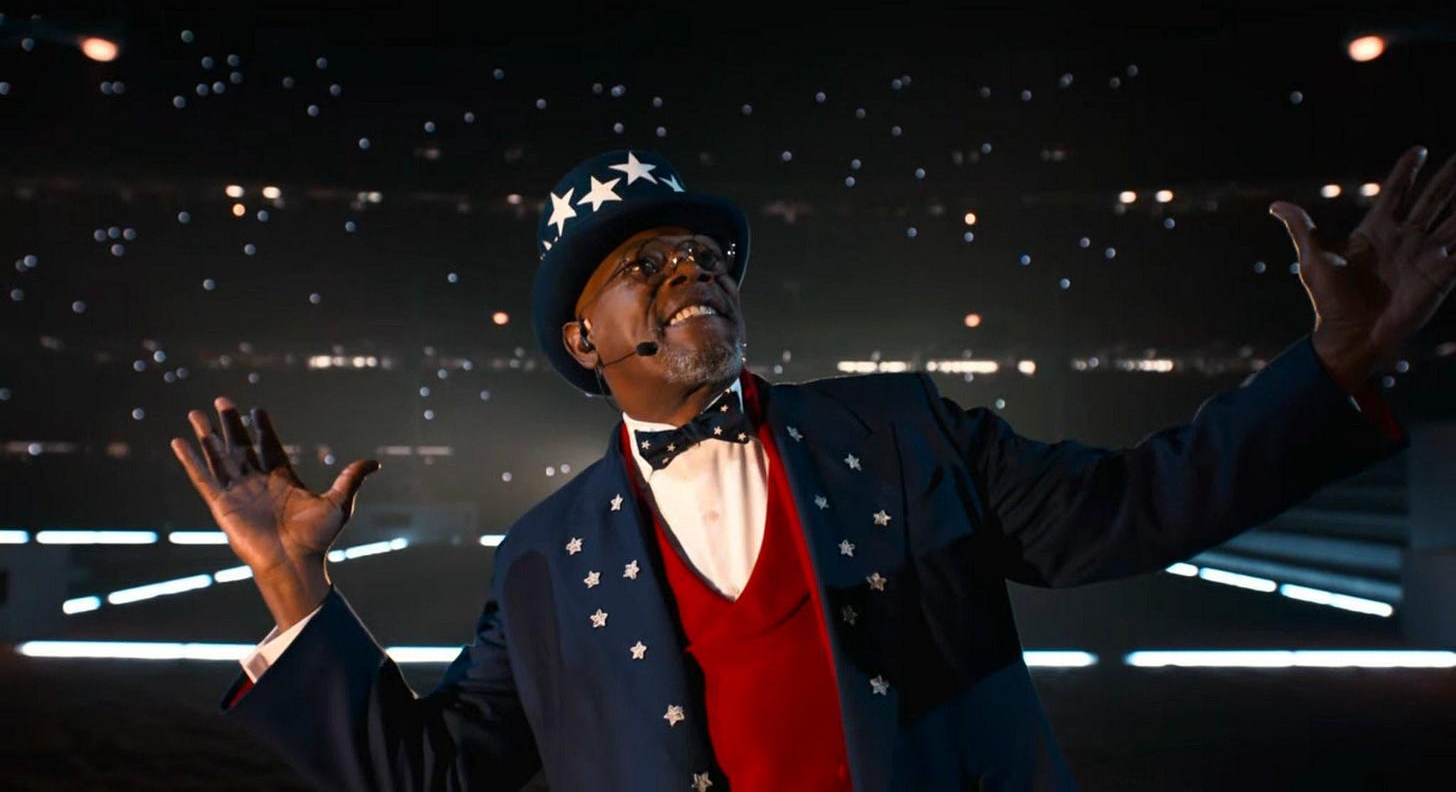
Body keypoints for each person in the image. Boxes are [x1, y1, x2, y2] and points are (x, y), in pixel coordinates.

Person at [171, 145, 1452, 790]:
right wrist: (296, 598)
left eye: (708, 252)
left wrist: (1327, 370)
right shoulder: (545, 560)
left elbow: (1122, 511)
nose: (694, 270)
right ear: (582, 339)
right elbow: (440, 779)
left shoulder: (900, 435)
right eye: (645, 263)